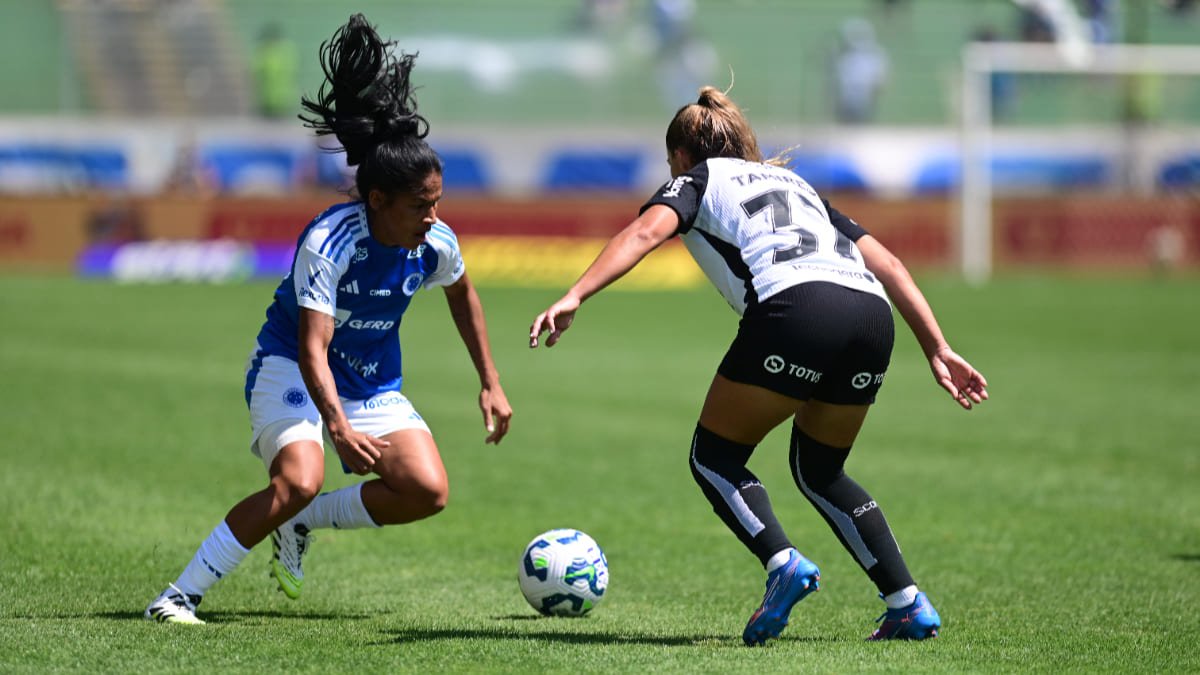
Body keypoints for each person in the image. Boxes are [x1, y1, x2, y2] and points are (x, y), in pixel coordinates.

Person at [529, 86, 987, 645]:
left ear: (678, 156)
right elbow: (887, 263)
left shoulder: (695, 180)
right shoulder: (799, 185)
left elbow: (648, 230)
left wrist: (576, 293)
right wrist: (937, 346)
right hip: (872, 318)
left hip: (798, 309)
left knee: (714, 456)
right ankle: (907, 602)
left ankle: (783, 563)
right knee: (820, 470)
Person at [146, 14, 513, 624]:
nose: (434, 215)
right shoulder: (330, 241)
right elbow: (313, 348)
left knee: (428, 491)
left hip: (368, 379)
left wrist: (490, 381)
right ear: (378, 200)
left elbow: (462, 295)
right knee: (298, 479)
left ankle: (300, 526)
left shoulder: (435, 241)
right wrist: (337, 428)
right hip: (290, 363)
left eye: (438, 201)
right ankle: (178, 597)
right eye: (422, 205)